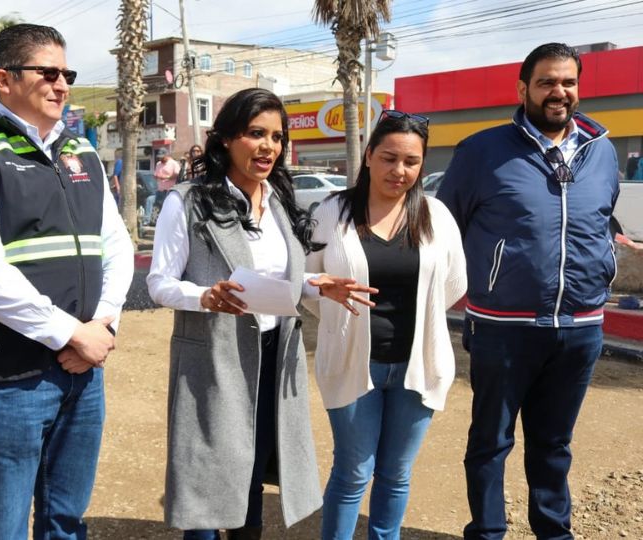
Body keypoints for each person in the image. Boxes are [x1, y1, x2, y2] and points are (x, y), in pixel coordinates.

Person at [0, 23, 134, 539]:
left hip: (84, 369)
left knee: (65, 518)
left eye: (67, 73)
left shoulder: (79, 150)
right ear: (4, 79)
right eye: (49, 72)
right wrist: (71, 333)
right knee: (5, 527)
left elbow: (118, 245)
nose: (62, 84)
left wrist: (102, 325)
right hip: (10, 379)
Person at [436, 43, 620, 540]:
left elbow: (602, 219)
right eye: (546, 82)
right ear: (523, 89)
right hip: (502, 327)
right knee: (491, 442)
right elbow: (444, 226)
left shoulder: (602, 150)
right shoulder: (481, 151)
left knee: (554, 443)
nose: (558, 92)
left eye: (568, 82)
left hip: (581, 328)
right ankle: (489, 533)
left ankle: (554, 533)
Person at [147, 88, 322, 539]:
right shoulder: (188, 201)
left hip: (273, 358)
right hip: (214, 361)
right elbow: (159, 283)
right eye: (255, 133)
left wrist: (312, 286)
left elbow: (276, 283)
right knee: (207, 490)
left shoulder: (281, 202)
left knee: (250, 487)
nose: (268, 147)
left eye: (277, 137)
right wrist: (205, 296)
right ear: (225, 138)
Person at [303, 111, 467, 539]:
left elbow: (453, 282)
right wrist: (341, 317)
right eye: (389, 158)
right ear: (369, 156)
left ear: (422, 165)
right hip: (353, 365)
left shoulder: (436, 215)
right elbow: (308, 280)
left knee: (396, 473)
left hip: (418, 366)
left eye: (411, 162)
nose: (399, 171)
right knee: (354, 471)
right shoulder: (332, 211)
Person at [143, 147, 180, 225]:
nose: (161, 159)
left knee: (165, 207)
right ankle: (146, 220)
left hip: (169, 191)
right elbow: (156, 173)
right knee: (150, 200)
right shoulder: (158, 164)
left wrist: (167, 177)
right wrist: (156, 176)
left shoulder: (174, 163)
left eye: (162, 157)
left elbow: (177, 175)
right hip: (159, 190)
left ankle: (167, 223)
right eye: (159, 157)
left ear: (167, 155)